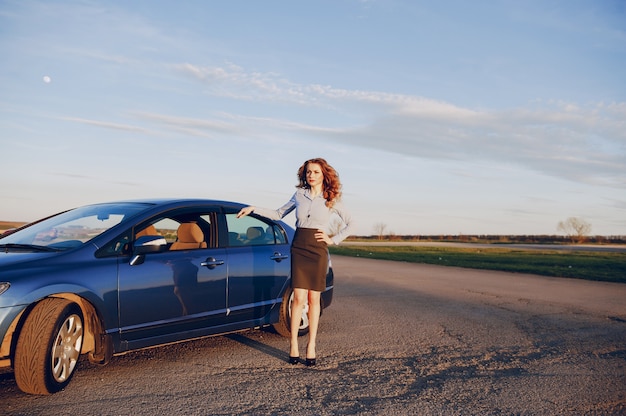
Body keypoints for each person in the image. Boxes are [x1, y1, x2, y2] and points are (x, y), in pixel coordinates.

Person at [237, 157, 354, 366]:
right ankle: (293, 345)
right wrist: (253, 208)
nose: (311, 175)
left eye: (316, 172)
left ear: (324, 175)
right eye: (308, 172)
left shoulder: (331, 198)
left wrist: (332, 239)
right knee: (298, 298)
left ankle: (311, 345)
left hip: (317, 249)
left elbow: (351, 224)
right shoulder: (299, 194)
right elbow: (278, 213)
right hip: (299, 246)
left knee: (314, 300)